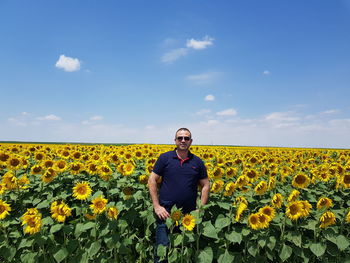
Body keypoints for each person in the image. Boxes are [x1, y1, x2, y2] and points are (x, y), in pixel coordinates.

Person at [148, 128, 210, 263]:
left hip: (188, 216)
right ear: (175, 140)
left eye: (186, 138)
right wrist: (156, 206)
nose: (183, 140)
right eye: (180, 138)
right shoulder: (165, 158)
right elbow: (152, 180)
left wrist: (201, 209)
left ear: (191, 142)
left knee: (184, 251)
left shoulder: (197, 162)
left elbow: (205, 185)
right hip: (166, 213)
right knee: (162, 251)